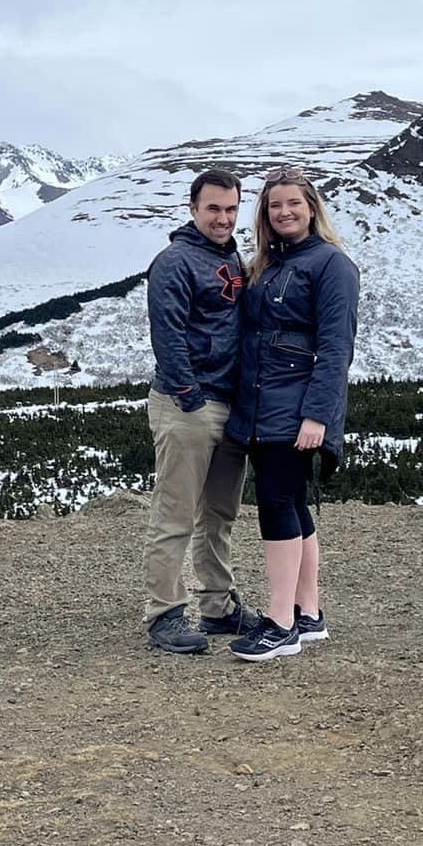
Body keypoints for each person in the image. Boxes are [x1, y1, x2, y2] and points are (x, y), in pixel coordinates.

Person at [224, 166, 360, 662]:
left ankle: (280, 623)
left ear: (312, 208)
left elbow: (335, 346)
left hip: (295, 407)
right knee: (293, 503)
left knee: (277, 503)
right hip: (262, 405)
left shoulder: (331, 265)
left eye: (293, 204)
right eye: (274, 205)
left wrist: (318, 416)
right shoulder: (267, 265)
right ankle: (309, 614)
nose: (284, 212)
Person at [143, 169, 262, 654]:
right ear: (193, 209)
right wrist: (190, 397)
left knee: (219, 513)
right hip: (187, 403)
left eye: (231, 210)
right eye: (214, 209)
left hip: (229, 405)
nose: (223, 218)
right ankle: (164, 613)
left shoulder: (231, 257)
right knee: (175, 515)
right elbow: (167, 334)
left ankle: (217, 606)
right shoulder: (174, 262)